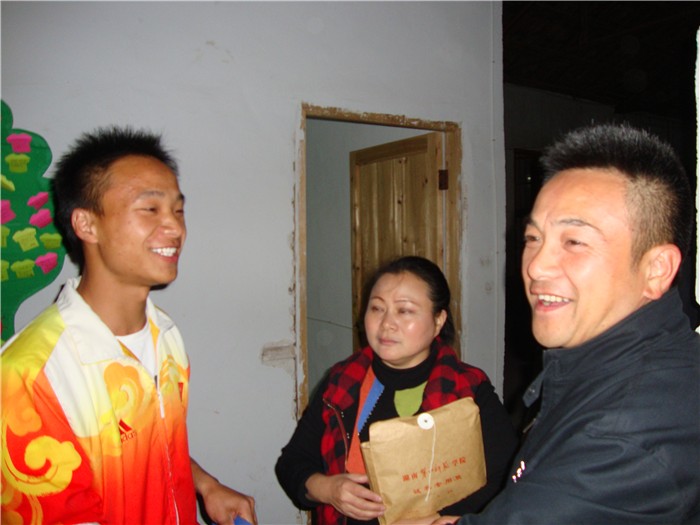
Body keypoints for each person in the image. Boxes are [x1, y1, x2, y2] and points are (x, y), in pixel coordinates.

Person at [437, 123, 700, 524]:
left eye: (574, 242)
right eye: (532, 239)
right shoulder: (611, 367)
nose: (536, 266)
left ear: (657, 269)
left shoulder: (628, 435)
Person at [1, 127, 257, 525]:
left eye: (178, 211)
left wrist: (205, 485)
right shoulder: (31, 378)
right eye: (150, 209)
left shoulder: (164, 334)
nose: (175, 228)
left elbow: (153, 443)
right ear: (86, 225)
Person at [275, 255, 518, 525]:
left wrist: (434, 520)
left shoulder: (468, 390)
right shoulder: (342, 381)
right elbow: (292, 462)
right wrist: (329, 489)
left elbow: (508, 480)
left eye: (404, 311)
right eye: (377, 308)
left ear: (438, 320)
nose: (386, 323)